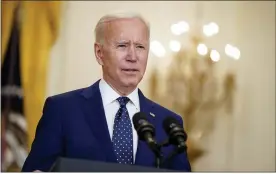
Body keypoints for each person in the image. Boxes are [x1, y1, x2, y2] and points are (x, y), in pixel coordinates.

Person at [21, 12, 191, 172]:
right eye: (122, 45)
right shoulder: (62, 110)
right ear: (99, 53)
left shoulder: (169, 124)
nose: (133, 56)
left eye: (140, 47)